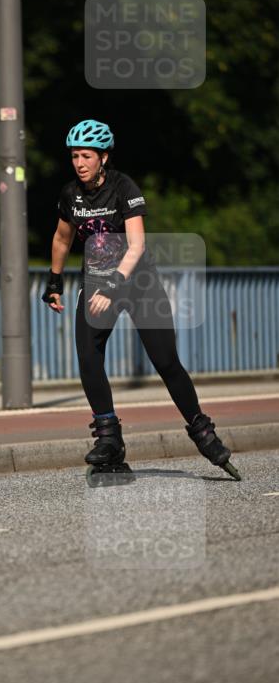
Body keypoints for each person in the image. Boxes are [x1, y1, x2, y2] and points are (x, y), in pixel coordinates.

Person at [42, 118, 240, 484]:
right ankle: (109, 438)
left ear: (104, 157)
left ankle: (202, 431)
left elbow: (137, 246)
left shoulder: (124, 187)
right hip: (97, 281)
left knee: (165, 360)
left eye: (86, 156)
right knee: (88, 354)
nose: (79, 163)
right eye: (74, 156)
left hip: (138, 281)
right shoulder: (71, 195)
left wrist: (114, 286)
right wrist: (54, 281)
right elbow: (61, 238)